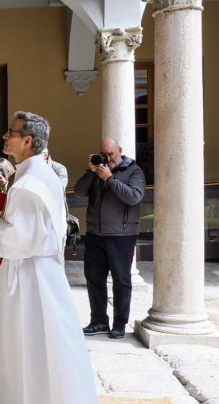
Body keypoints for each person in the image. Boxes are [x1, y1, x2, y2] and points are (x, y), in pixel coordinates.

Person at [0, 111, 97, 404]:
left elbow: (19, 241)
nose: (5, 137)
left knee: (27, 351)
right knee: (43, 351)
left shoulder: (29, 184)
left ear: (27, 141)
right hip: (38, 273)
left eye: (11, 133)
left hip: (30, 281)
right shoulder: (37, 175)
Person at [73, 137, 146, 339]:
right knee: (94, 279)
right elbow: (79, 192)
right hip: (95, 234)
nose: (108, 158)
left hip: (121, 235)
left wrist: (110, 178)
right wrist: (91, 170)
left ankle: (120, 324)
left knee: (121, 281)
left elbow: (134, 197)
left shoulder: (134, 171)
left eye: (111, 154)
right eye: (105, 154)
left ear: (120, 151)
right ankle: (98, 322)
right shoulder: (98, 171)